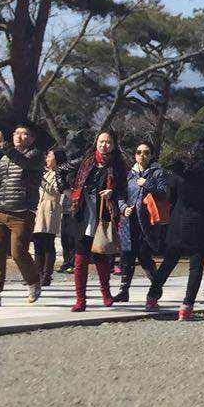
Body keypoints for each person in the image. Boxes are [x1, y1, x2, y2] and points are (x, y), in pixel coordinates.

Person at [150, 140, 204, 320]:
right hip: (202, 221)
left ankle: (152, 296)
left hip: (180, 220)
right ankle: (187, 305)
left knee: (169, 262)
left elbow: (170, 196)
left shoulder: (181, 174)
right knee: (196, 267)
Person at [69, 130, 130, 312]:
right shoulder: (86, 161)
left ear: (114, 145)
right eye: (101, 141)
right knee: (80, 260)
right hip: (83, 213)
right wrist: (70, 190)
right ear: (96, 142)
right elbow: (63, 170)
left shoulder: (118, 165)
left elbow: (124, 189)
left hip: (103, 214)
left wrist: (112, 192)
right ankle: (80, 300)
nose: (104, 145)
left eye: (108, 142)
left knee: (101, 257)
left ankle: (106, 293)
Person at [117, 140, 168, 307]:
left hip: (148, 222)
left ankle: (156, 288)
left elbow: (164, 193)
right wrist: (123, 208)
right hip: (129, 222)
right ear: (135, 155)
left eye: (146, 152)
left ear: (151, 155)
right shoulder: (129, 174)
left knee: (144, 255)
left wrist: (147, 184)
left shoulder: (157, 173)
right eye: (139, 152)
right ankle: (123, 291)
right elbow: (120, 195)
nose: (142, 155)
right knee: (127, 255)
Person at [0, 122, 45, 305]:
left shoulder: (36, 156)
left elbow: (23, 162)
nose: (18, 136)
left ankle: (33, 282)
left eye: (24, 133)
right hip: (1, 210)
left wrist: (5, 147)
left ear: (32, 139)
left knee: (18, 251)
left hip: (22, 212)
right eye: (16, 133)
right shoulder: (5, 158)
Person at [32, 146, 64, 287]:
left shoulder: (60, 173)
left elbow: (55, 190)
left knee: (48, 242)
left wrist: (41, 178)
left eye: (49, 156)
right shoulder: (46, 173)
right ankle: (37, 275)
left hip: (51, 209)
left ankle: (46, 275)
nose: (47, 159)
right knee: (38, 242)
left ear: (57, 159)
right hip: (40, 209)